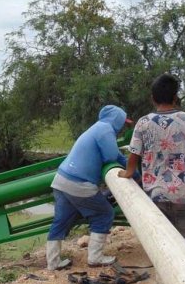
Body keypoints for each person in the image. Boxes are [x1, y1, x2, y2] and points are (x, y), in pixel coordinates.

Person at [118, 74, 185, 284]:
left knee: (163, 247)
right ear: (176, 96)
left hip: (156, 194)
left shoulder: (144, 123)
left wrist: (128, 173)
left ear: (153, 97)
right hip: (184, 194)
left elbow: (134, 155)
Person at [46, 105, 130, 271]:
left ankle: (53, 262)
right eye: (123, 122)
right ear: (117, 119)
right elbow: (111, 156)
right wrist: (133, 171)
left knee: (60, 222)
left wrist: (129, 165)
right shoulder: (106, 130)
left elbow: (115, 155)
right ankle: (95, 257)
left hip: (61, 180)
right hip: (79, 183)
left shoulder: (96, 128)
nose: (123, 127)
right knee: (104, 213)